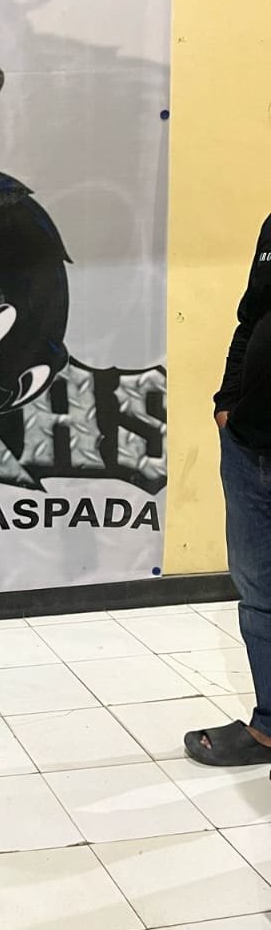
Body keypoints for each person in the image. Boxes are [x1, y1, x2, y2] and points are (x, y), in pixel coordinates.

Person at [185, 214, 271, 766]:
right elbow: (252, 316)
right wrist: (227, 403)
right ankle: (269, 727)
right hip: (249, 441)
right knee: (259, 591)